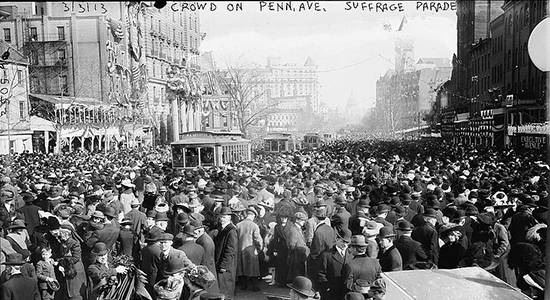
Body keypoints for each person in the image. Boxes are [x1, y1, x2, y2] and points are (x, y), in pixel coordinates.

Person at [317, 228, 352, 300]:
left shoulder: (351, 254)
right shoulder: (326, 255)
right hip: (332, 292)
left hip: (346, 292)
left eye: (347, 243)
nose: (345, 245)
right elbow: (321, 274)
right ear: (337, 239)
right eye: (343, 242)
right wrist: (327, 287)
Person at [235, 207, 263, 291]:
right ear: (253, 216)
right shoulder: (254, 226)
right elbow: (257, 239)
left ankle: (243, 286)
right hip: (251, 250)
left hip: (240, 249)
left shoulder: (238, 225)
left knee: (241, 268)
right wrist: (260, 248)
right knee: (253, 269)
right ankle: (255, 287)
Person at [213, 207, 238, 300]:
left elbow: (231, 250)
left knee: (226, 288)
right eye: (220, 217)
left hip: (226, 265)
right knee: (222, 287)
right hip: (221, 262)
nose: (221, 219)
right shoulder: (222, 228)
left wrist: (224, 265)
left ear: (229, 218)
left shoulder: (231, 231)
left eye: (223, 217)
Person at [193, 220, 220, 293]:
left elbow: (206, 259)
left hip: (207, 270)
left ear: (198, 231)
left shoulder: (205, 242)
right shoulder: (203, 238)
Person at [286, 211, 310, 283]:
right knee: (297, 272)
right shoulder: (293, 229)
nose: (303, 222)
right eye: (302, 220)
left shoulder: (298, 228)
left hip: (299, 254)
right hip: (297, 254)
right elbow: (292, 244)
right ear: (297, 220)